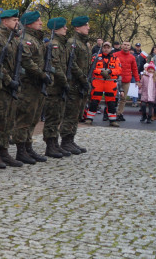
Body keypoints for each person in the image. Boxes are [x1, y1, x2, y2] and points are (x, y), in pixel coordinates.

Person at [0, 10, 25, 167]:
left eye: (17, 20)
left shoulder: (13, 39)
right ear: (5, 22)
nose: (17, 23)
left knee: (9, 120)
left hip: (12, 86)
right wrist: (9, 80)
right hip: (2, 86)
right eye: (14, 20)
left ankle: (4, 151)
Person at [13, 11, 50, 161]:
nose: (41, 23)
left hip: (36, 86)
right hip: (28, 85)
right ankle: (21, 150)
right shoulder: (25, 40)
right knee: (24, 118)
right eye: (38, 21)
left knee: (34, 118)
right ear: (29, 23)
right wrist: (42, 74)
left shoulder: (36, 40)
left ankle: (28, 147)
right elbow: (27, 61)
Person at [60, 16, 92, 154]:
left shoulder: (84, 43)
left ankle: (71, 139)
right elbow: (71, 63)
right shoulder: (72, 43)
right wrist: (82, 78)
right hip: (74, 83)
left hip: (81, 83)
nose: (88, 27)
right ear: (77, 27)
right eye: (86, 25)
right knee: (70, 114)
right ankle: (65, 141)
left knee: (77, 113)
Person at [40, 17, 70, 159]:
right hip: (54, 86)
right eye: (63, 27)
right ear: (56, 29)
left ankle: (54, 143)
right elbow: (55, 66)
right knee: (52, 117)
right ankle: (50, 145)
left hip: (59, 85)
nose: (66, 29)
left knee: (57, 116)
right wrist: (64, 81)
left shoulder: (60, 44)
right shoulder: (54, 45)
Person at [89, 41, 122, 127]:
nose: (106, 49)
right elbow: (92, 68)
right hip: (98, 82)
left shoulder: (116, 59)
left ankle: (112, 120)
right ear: (102, 48)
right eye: (104, 47)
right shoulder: (96, 57)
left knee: (111, 102)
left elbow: (119, 70)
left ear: (111, 49)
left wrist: (110, 71)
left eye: (108, 47)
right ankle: (89, 119)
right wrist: (101, 71)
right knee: (94, 101)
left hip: (110, 83)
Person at [115, 41, 140, 121]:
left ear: (130, 47)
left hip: (126, 80)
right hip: (116, 79)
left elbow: (135, 69)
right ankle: (110, 113)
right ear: (121, 46)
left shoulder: (132, 57)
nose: (126, 46)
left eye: (128, 45)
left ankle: (120, 113)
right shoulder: (115, 55)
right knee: (113, 98)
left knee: (123, 98)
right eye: (124, 45)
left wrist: (137, 80)